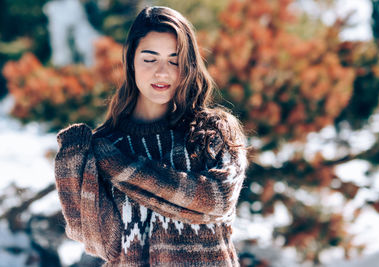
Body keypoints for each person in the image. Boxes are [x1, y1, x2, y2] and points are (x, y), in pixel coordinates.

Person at [54, 6, 248, 267]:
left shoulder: (212, 131)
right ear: (131, 60)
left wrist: (121, 167)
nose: (162, 72)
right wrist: (72, 167)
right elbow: (102, 243)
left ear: (188, 65)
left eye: (174, 60)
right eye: (149, 58)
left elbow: (217, 200)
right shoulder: (108, 145)